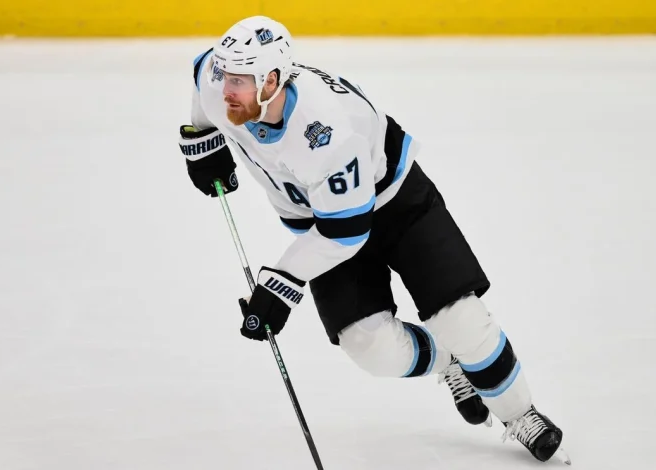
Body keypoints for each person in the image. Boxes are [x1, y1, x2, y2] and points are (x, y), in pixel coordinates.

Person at [178, 15, 568, 464]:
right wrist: (202, 139)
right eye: (225, 74)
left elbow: (346, 232)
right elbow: (202, 78)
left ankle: (520, 414)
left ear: (271, 81)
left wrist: (280, 284)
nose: (225, 88)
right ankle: (450, 361)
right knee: (371, 348)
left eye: (239, 80)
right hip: (321, 220)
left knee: (460, 318)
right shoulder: (217, 81)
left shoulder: (326, 131)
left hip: (398, 203)